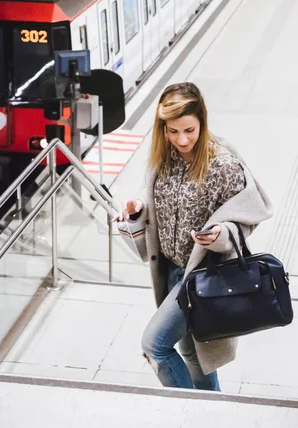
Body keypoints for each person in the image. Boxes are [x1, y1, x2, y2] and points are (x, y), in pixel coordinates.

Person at [117, 82, 272, 391]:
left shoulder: (223, 165)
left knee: (155, 345)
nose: (182, 139)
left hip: (203, 277)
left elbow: (247, 219)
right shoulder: (163, 158)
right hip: (172, 271)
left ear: (202, 121)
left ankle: (186, 414)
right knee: (192, 352)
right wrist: (138, 211)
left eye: (189, 129)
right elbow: (164, 204)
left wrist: (219, 235)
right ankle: (210, 413)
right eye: (172, 131)